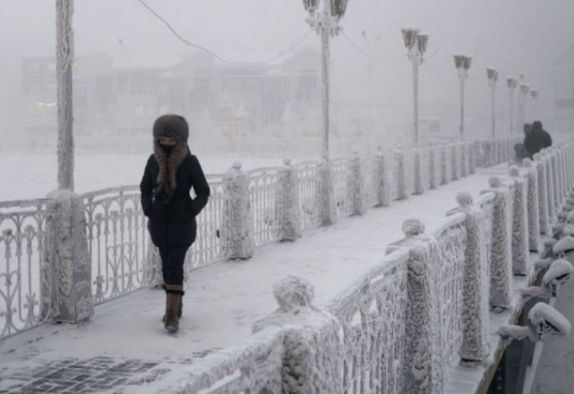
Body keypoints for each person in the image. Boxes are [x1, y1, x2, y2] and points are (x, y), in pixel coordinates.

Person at [140, 114, 210, 332]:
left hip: (182, 224)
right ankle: (177, 305)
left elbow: (203, 191)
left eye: (171, 141)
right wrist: (149, 209)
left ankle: (171, 316)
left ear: (181, 140)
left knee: (174, 266)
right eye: (163, 140)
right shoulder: (153, 162)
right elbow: (144, 187)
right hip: (159, 224)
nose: (167, 144)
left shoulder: (190, 162)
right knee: (165, 266)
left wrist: (190, 210)